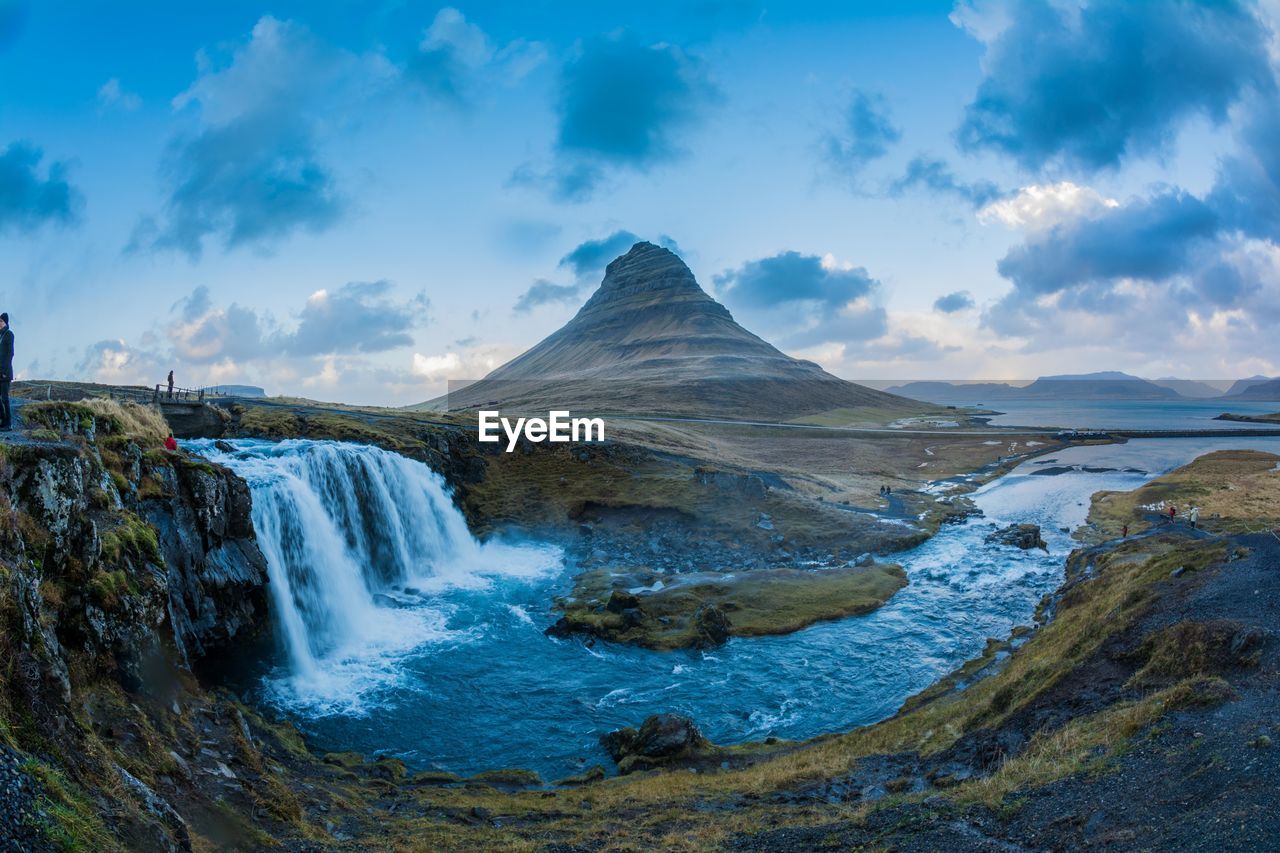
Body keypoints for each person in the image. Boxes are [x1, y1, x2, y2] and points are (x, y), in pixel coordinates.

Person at [0, 313, 13, 431]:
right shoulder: (0, 336)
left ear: (5, 322)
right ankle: (3, 421)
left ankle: (8, 424)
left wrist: (4, 371)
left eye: (0, 321)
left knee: (5, 398)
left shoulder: (9, 334)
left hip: (5, 373)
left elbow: (10, 354)